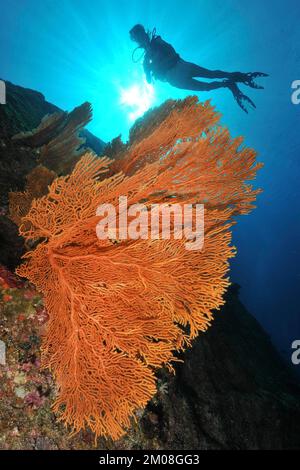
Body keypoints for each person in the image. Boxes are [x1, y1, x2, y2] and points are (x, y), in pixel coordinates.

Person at [129, 24, 268, 113]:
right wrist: (148, 70)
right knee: (207, 86)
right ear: (137, 41)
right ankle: (229, 83)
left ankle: (244, 77)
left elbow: (171, 50)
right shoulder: (146, 59)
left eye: (141, 34)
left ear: (145, 33)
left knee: (212, 74)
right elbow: (148, 80)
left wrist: (154, 63)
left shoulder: (157, 41)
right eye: (138, 38)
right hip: (175, 79)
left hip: (181, 67)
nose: (142, 38)